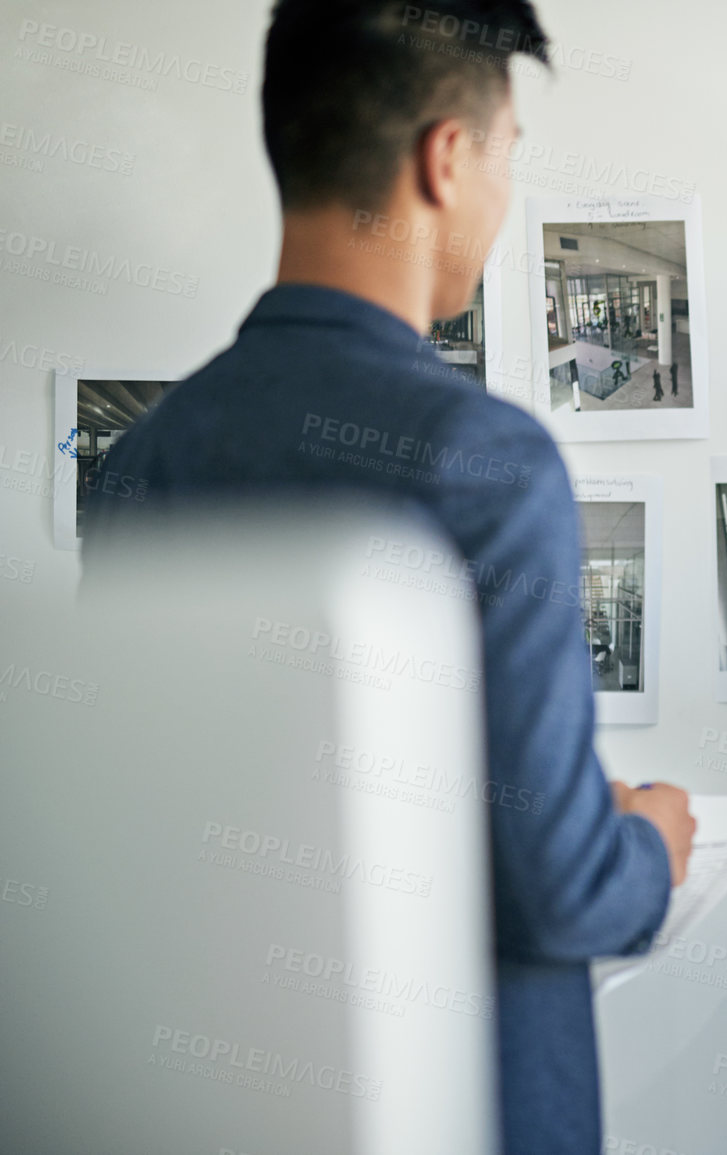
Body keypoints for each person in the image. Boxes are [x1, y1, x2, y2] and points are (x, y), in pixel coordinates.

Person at [78, 4, 695, 1153]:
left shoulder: (145, 460)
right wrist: (655, 841)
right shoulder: (489, 462)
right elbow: (556, 886)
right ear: (446, 158)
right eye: (510, 156)